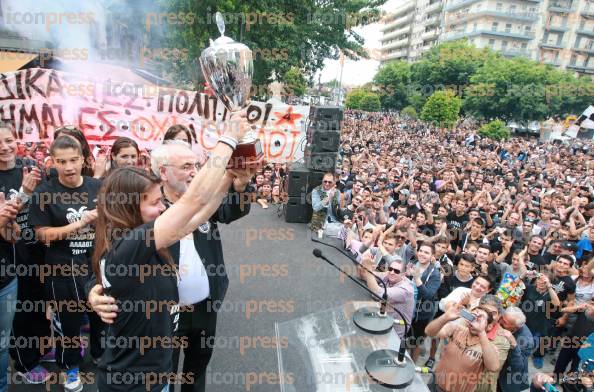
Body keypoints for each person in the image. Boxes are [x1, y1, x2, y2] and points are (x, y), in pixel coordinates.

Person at [89, 113, 249, 392]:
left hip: (157, 377)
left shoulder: (143, 238)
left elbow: (201, 212)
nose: (162, 208)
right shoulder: (130, 244)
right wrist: (229, 138)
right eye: (153, 203)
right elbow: (193, 201)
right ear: (127, 207)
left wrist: (230, 177)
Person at [28, 135, 104, 392]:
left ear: (83, 159)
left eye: (73, 160)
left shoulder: (98, 185)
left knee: (101, 318)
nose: (69, 167)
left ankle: (102, 358)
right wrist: (81, 223)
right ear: (53, 162)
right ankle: (70, 368)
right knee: (68, 324)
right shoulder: (45, 191)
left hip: (96, 267)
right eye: (62, 161)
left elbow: (114, 223)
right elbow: (43, 234)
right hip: (62, 271)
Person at [0, 126, 52, 384]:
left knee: (39, 302)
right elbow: (4, 216)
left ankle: (42, 347)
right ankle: (24, 362)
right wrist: (24, 193)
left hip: (37, 249)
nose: (4, 147)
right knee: (20, 308)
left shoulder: (30, 165)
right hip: (10, 254)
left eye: (8, 140)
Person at [425, 302, 501, 392]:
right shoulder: (457, 329)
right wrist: (445, 317)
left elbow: (493, 367)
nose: (475, 320)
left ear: (489, 326)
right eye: (473, 316)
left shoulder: (489, 347)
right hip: (435, 384)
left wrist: (481, 332)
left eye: (480, 318)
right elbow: (429, 332)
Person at [0, 125, 25, 391]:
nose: (5, 147)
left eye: (9, 140)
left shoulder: (28, 170)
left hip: (9, 270)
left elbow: (10, 233)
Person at [361, 256, 414, 339]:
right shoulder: (389, 275)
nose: (392, 272)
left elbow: (377, 292)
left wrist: (368, 269)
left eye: (396, 271)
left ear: (404, 274)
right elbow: (363, 276)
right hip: (382, 317)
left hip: (394, 331)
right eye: (390, 269)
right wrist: (364, 263)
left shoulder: (406, 290)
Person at [408, 242, 441, 362]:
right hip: (406, 308)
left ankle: (411, 366)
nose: (422, 254)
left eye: (426, 252)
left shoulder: (435, 274)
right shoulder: (412, 263)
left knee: (415, 343)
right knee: (402, 338)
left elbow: (427, 295)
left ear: (433, 256)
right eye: (421, 251)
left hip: (420, 314)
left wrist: (417, 278)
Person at [498, 306, 535, 392]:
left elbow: (517, 367)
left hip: (508, 378)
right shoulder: (504, 319)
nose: (499, 322)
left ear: (516, 327)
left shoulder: (526, 341)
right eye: (501, 318)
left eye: (505, 322)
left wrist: (514, 345)